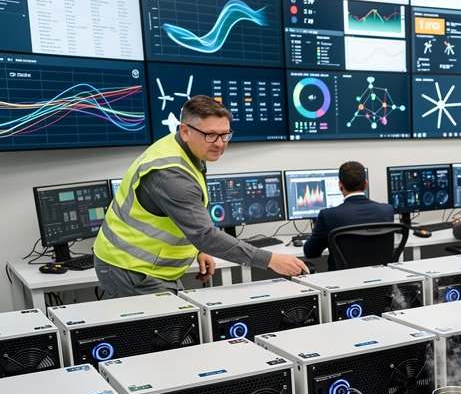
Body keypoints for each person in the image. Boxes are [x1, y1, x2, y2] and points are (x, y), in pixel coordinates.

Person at [93, 95, 308, 298]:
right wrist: (270, 260)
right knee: (167, 334)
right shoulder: (170, 175)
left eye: (225, 134)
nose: (220, 143)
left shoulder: (188, 148)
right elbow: (205, 234)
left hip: (150, 266)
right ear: (185, 131)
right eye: (211, 135)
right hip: (130, 267)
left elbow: (188, 218)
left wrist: (197, 250)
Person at [302, 161, 395, 271]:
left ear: (340, 185)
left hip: (344, 284)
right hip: (382, 283)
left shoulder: (328, 215)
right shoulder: (387, 210)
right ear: (366, 184)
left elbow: (310, 252)